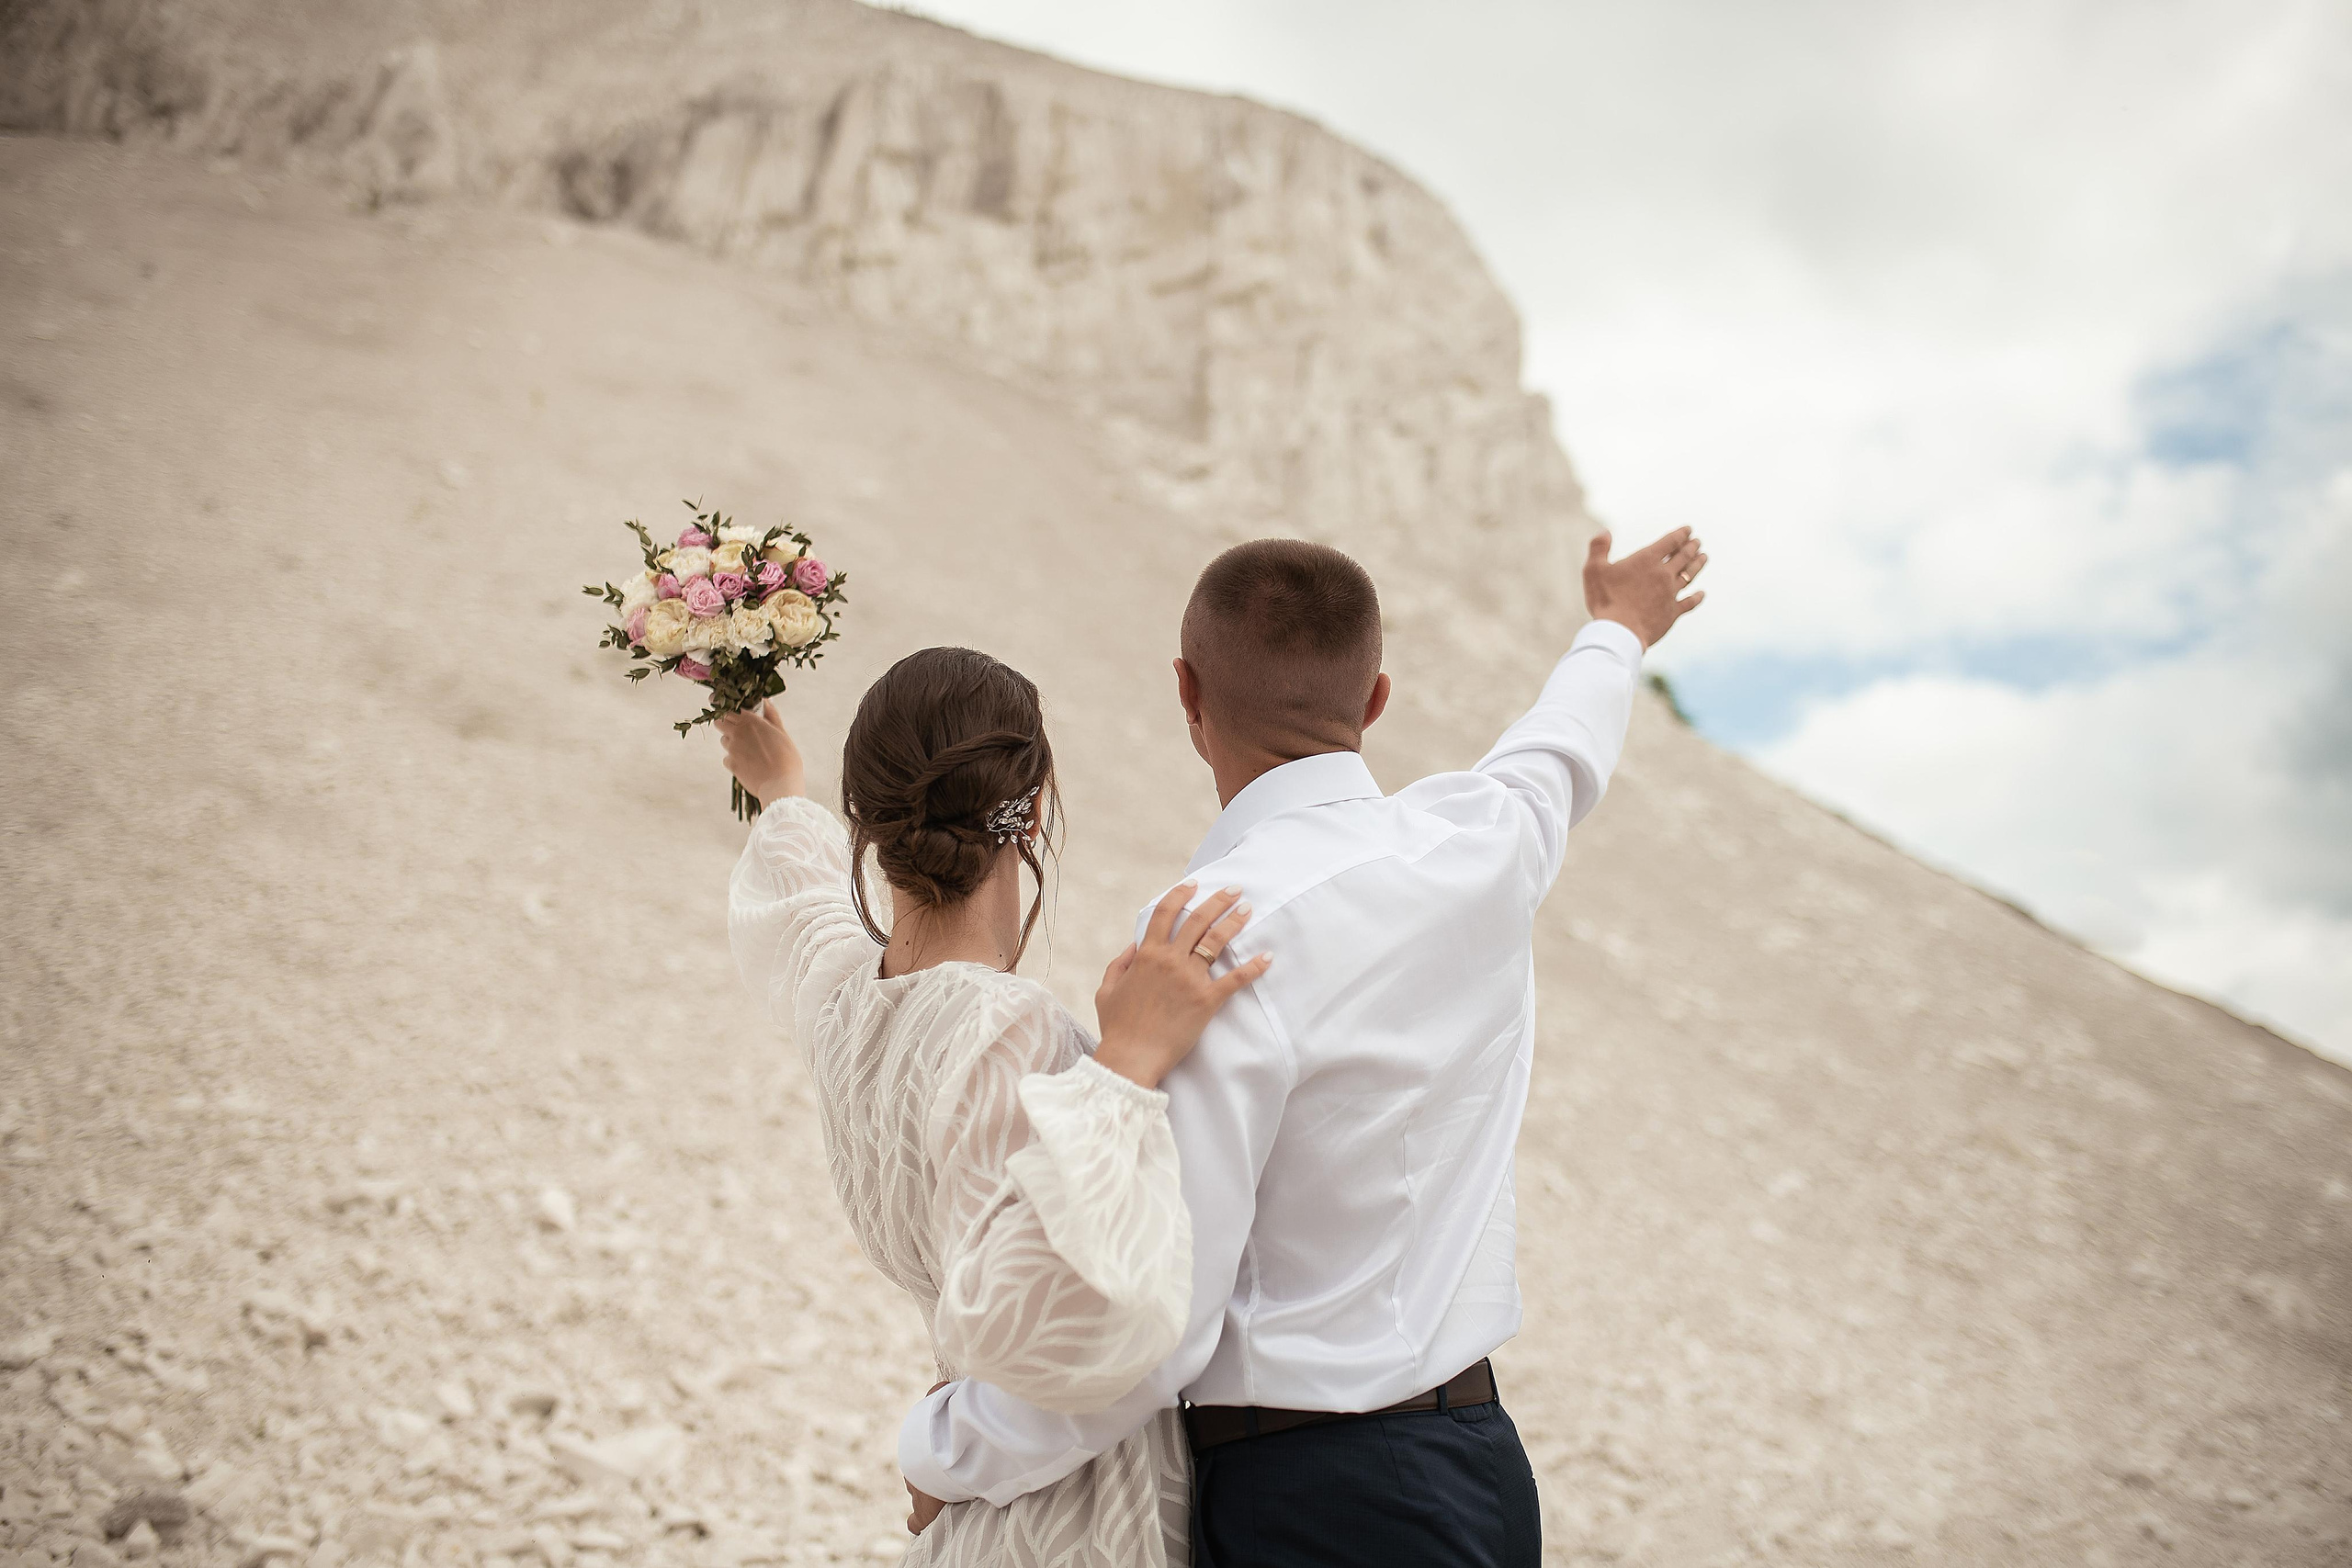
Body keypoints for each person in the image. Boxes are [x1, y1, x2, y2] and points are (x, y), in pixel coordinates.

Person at [897, 527, 1707, 1567]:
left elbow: (1157, 1320)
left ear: (1187, 695)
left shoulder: (1206, 936)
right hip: (1486, 1473)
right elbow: (1562, 749)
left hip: (1311, 1503)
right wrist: (1619, 624)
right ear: (1374, 700)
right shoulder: (1483, 840)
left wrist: (946, 1451)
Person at [718, 645, 1272, 1567]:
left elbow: (801, 902)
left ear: (870, 818)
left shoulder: (847, 1004)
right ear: (1034, 810)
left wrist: (782, 793)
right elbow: (1049, 1312)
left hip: (971, 1499)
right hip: (1071, 1505)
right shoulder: (1004, 1025)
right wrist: (1125, 1063)